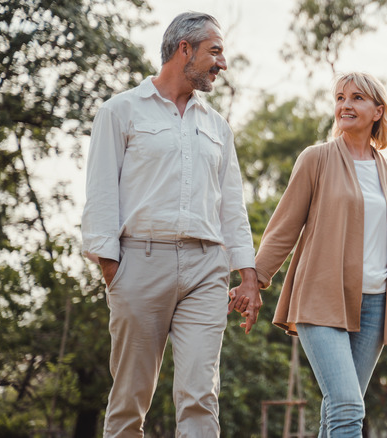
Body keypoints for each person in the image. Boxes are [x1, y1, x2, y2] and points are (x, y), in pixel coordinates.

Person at [81, 12, 261, 437]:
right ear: (185, 50)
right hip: (139, 264)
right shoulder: (120, 111)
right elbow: (101, 195)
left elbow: (231, 207)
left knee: (201, 397)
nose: (222, 63)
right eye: (214, 51)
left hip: (206, 269)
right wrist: (113, 270)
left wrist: (248, 276)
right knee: (130, 397)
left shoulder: (218, 127)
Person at [232, 72, 387, 436]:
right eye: (340, 98)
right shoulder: (316, 159)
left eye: (357, 98)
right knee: (348, 405)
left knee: (336, 411)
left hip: (376, 305)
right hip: (321, 296)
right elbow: (284, 227)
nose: (345, 105)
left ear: (378, 111)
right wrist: (254, 281)